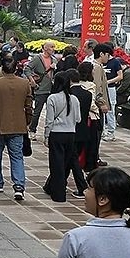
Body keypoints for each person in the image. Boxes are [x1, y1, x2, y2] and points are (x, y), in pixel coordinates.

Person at [0, 55, 33, 200]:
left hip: (0, 124)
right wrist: (27, 121)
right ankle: (19, 185)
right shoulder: (25, 84)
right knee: (17, 156)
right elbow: (29, 106)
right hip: (18, 125)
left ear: (2, 68)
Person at [42, 72, 83, 203]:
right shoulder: (74, 99)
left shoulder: (52, 98)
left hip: (56, 133)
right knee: (65, 163)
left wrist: (46, 135)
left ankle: (58, 193)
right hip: (71, 133)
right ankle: (52, 187)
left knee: (56, 164)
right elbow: (78, 118)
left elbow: (49, 120)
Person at [76, 62, 104, 173]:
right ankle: (89, 164)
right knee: (92, 142)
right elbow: (91, 102)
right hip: (90, 116)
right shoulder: (91, 85)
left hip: (79, 115)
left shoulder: (76, 84)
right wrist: (97, 111)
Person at [28, 41, 58, 133]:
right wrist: (32, 80)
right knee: (37, 111)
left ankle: (49, 132)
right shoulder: (37, 58)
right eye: (52, 47)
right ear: (45, 48)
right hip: (41, 89)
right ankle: (32, 130)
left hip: (51, 89)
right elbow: (27, 68)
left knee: (52, 112)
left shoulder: (54, 59)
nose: (54, 49)